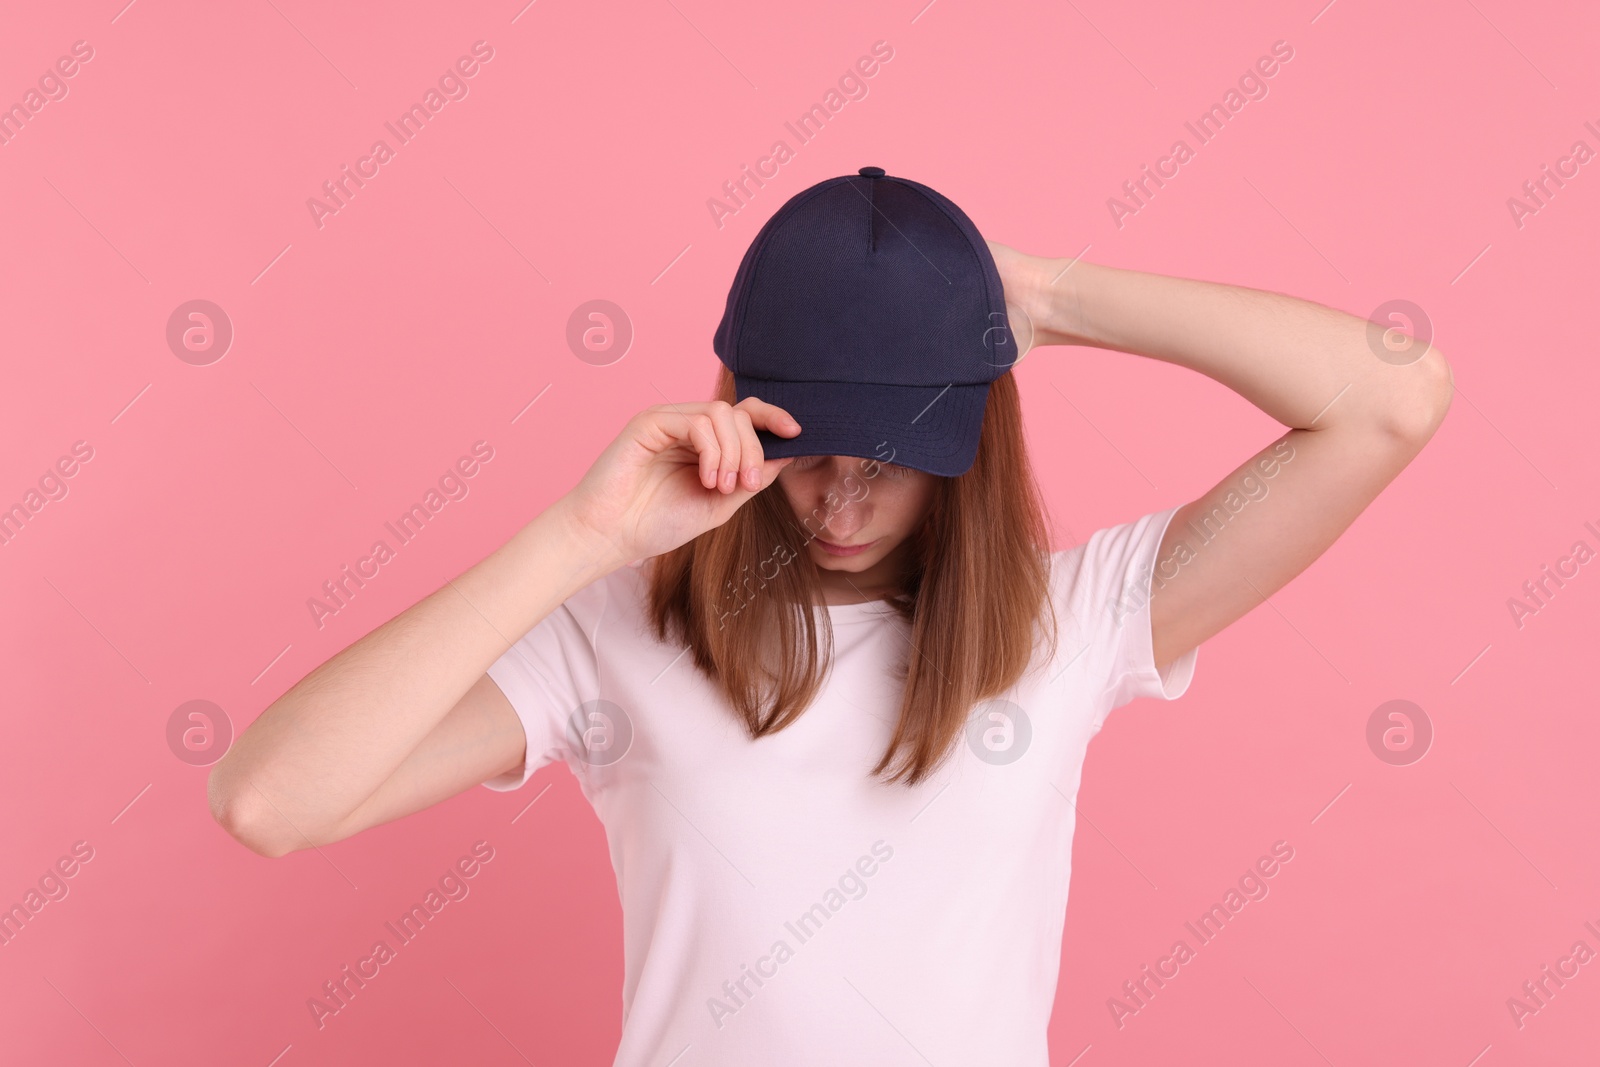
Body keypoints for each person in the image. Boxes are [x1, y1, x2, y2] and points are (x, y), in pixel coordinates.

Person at [208, 167, 1452, 1065]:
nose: (845, 499)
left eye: (893, 458)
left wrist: (1035, 297)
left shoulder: (1072, 620)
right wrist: (578, 539)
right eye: (811, 452)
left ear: (969, 440)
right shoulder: (615, 632)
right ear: (743, 415)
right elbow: (272, 799)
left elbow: (1392, 398)